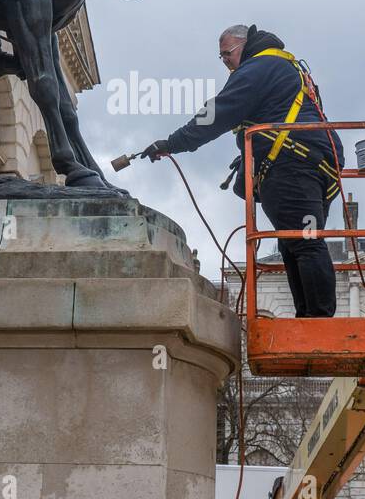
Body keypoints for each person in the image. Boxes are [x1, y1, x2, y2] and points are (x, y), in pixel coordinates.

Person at [145, 24, 344, 317]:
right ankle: (309, 320)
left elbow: (217, 113)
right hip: (309, 164)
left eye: (226, 54)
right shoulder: (282, 66)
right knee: (294, 243)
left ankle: (318, 326)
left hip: (293, 164)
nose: (225, 61)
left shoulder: (258, 67)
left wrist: (172, 142)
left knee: (303, 243)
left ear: (243, 45)